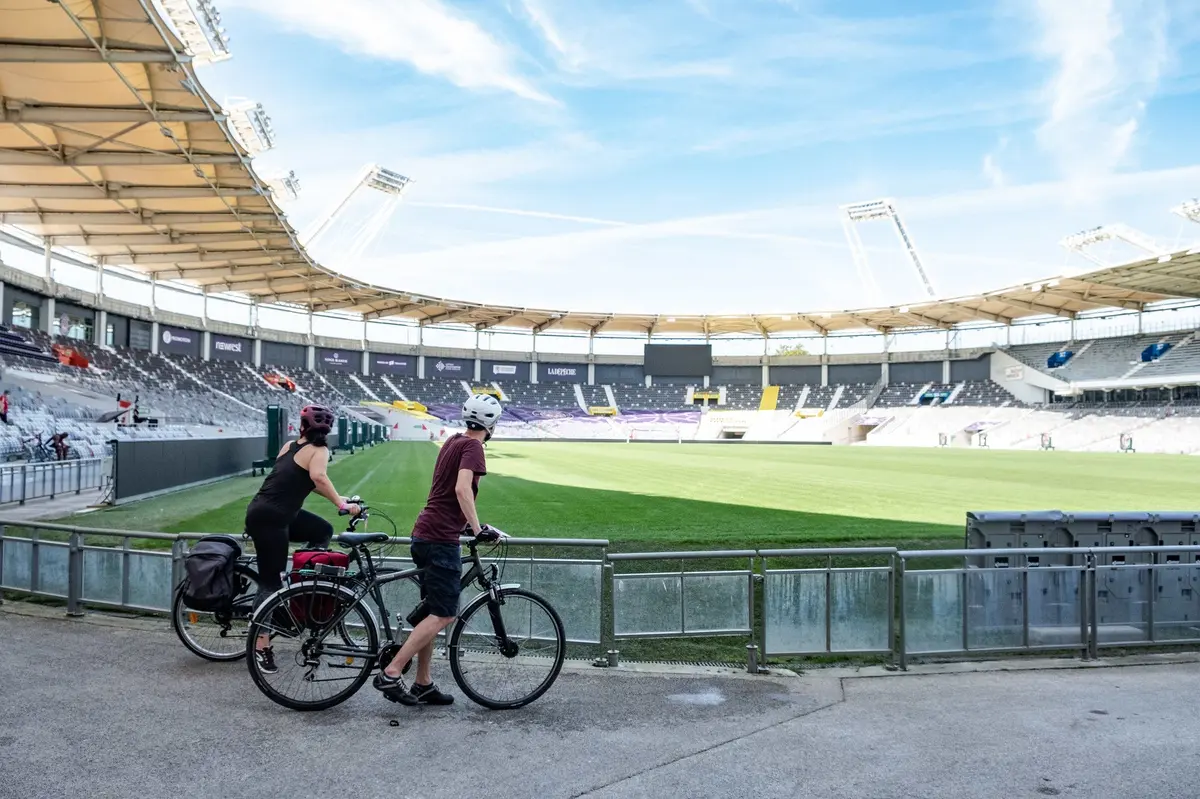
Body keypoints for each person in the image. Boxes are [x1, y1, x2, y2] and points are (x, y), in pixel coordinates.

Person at [375, 393, 502, 706]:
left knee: (431, 612)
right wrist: (478, 530)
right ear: (491, 424)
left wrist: (467, 525)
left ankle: (423, 682)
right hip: (440, 539)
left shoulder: (452, 441)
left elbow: (445, 491)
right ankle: (392, 672)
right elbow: (461, 489)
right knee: (444, 613)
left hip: (425, 532)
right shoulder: (473, 447)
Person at [245, 405, 360, 674]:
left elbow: (305, 479)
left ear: (302, 427)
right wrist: (342, 505)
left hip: (272, 512)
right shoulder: (320, 450)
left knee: (322, 531)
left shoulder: (289, 446)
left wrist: (339, 498)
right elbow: (318, 476)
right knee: (270, 582)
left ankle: (298, 587)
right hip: (270, 519)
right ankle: (260, 645)